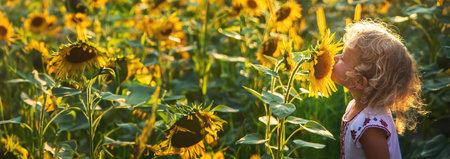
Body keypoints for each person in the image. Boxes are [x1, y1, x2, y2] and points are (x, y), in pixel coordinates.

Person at [331, 20, 424, 159]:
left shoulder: (370, 127)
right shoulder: (355, 107)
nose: (335, 58)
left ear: (359, 81)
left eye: (343, 59)